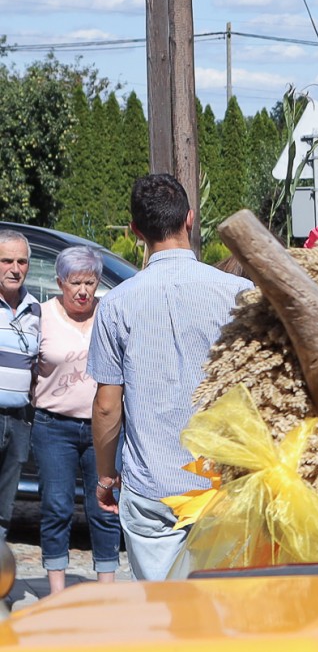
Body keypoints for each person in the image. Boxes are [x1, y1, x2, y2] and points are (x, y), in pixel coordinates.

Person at [89, 173, 252, 581]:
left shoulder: (116, 304)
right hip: (223, 481)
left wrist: (106, 475)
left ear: (135, 231)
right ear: (190, 219)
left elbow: (107, 406)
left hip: (152, 485)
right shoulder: (238, 293)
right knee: (221, 603)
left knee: (163, 606)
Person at [36, 247, 122, 594]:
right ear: (60, 283)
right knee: (56, 506)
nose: (83, 290)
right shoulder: (41, 315)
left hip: (104, 428)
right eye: (75, 283)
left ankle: (106, 591)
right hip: (53, 426)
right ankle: (57, 592)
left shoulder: (108, 313)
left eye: (90, 282)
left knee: (104, 508)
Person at [0, 230, 41, 558]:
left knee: (4, 505)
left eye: (22, 261)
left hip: (18, 420)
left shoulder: (36, 310)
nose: (15, 269)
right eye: (6, 261)